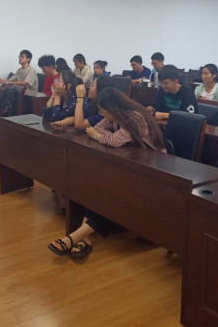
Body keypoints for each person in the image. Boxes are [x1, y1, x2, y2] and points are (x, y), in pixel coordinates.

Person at [48, 87, 165, 258]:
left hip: (151, 172)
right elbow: (97, 127)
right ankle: (84, 238)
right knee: (99, 187)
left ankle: (75, 237)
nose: (102, 114)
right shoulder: (115, 115)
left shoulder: (135, 117)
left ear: (113, 108)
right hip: (130, 165)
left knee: (113, 196)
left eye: (103, 111)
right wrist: (101, 134)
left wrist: (98, 136)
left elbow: (114, 140)